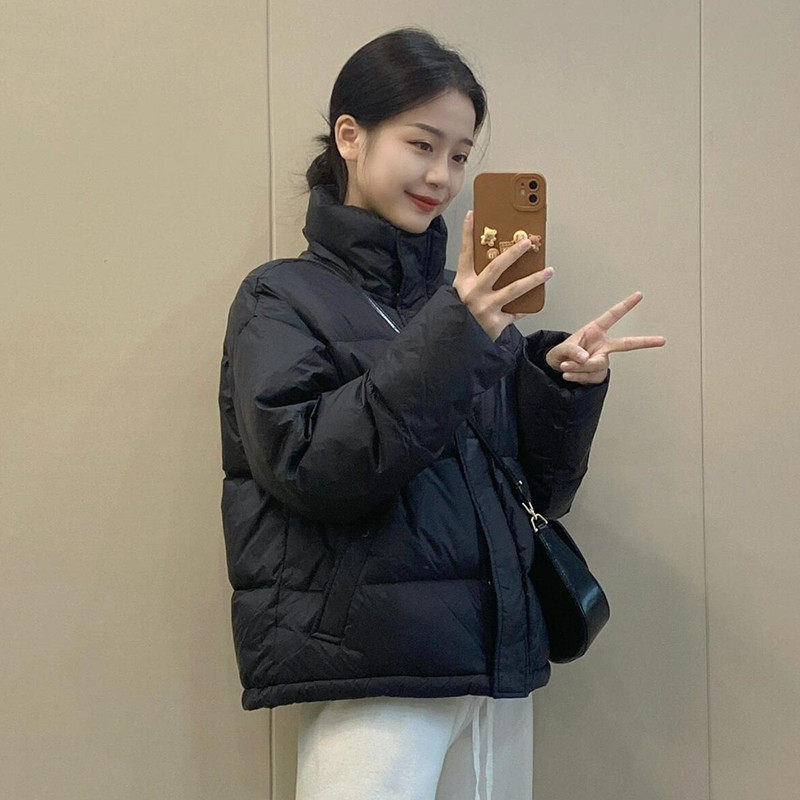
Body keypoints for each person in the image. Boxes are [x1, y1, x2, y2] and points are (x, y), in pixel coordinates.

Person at [218, 26, 664, 800]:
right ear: (350, 136)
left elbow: (539, 495)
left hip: (494, 669)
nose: (442, 176)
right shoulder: (280, 298)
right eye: (422, 144)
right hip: (372, 671)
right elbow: (312, 468)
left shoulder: (467, 310)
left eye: (459, 155)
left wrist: (561, 387)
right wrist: (460, 331)